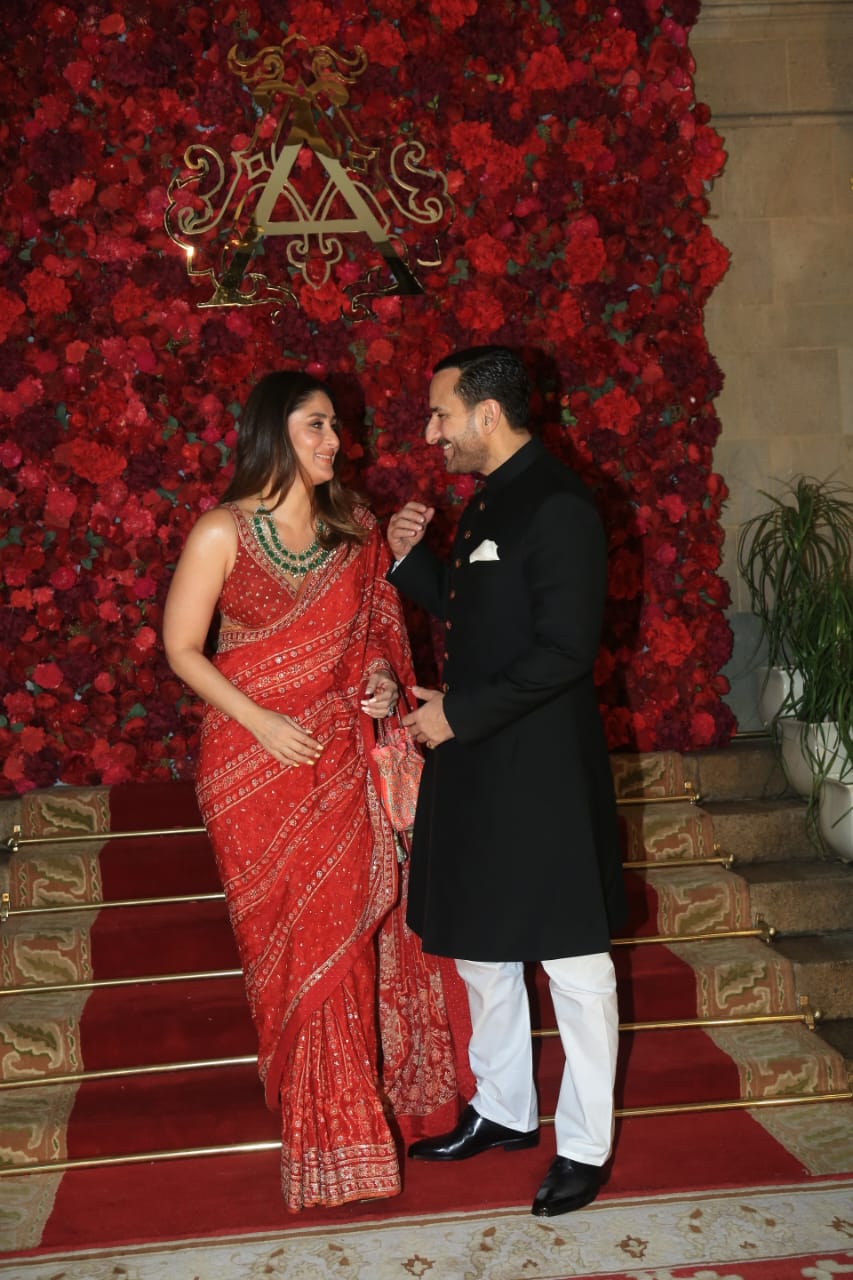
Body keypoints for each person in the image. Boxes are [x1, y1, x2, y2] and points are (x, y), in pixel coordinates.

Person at [163, 370, 470, 1213]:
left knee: (342, 940)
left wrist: (380, 681)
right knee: (289, 952)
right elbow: (182, 648)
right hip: (250, 763)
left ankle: (346, 1140)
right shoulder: (221, 530)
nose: (334, 440)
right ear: (272, 432)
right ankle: (320, 1134)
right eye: (315, 426)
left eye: (334, 426)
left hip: (336, 755)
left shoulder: (353, 526)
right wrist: (261, 721)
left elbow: (375, 636)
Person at [386, 345, 628, 1218]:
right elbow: (478, 613)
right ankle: (503, 1108)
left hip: (542, 771)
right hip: (481, 755)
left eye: (441, 414)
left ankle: (584, 1147)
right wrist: (410, 560)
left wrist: (458, 713)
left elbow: (565, 650)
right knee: (482, 948)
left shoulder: (558, 505)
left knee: (574, 964)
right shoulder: (491, 498)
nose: (431, 432)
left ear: (487, 414)